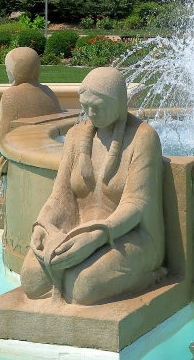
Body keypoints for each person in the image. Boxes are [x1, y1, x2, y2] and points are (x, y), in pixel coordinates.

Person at [20, 67, 165, 305]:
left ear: (117, 103)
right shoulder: (77, 136)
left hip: (131, 235)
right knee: (32, 280)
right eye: (85, 106)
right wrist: (43, 225)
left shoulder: (143, 137)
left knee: (84, 287)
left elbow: (137, 204)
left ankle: (149, 275)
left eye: (98, 106)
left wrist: (97, 236)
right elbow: (60, 196)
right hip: (78, 229)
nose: (90, 113)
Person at [0, 47, 61, 193]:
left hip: (16, 170)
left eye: (8, 69)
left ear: (14, 71)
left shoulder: (12, 96)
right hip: (37, 160)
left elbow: (0, 142)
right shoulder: (48, 93)